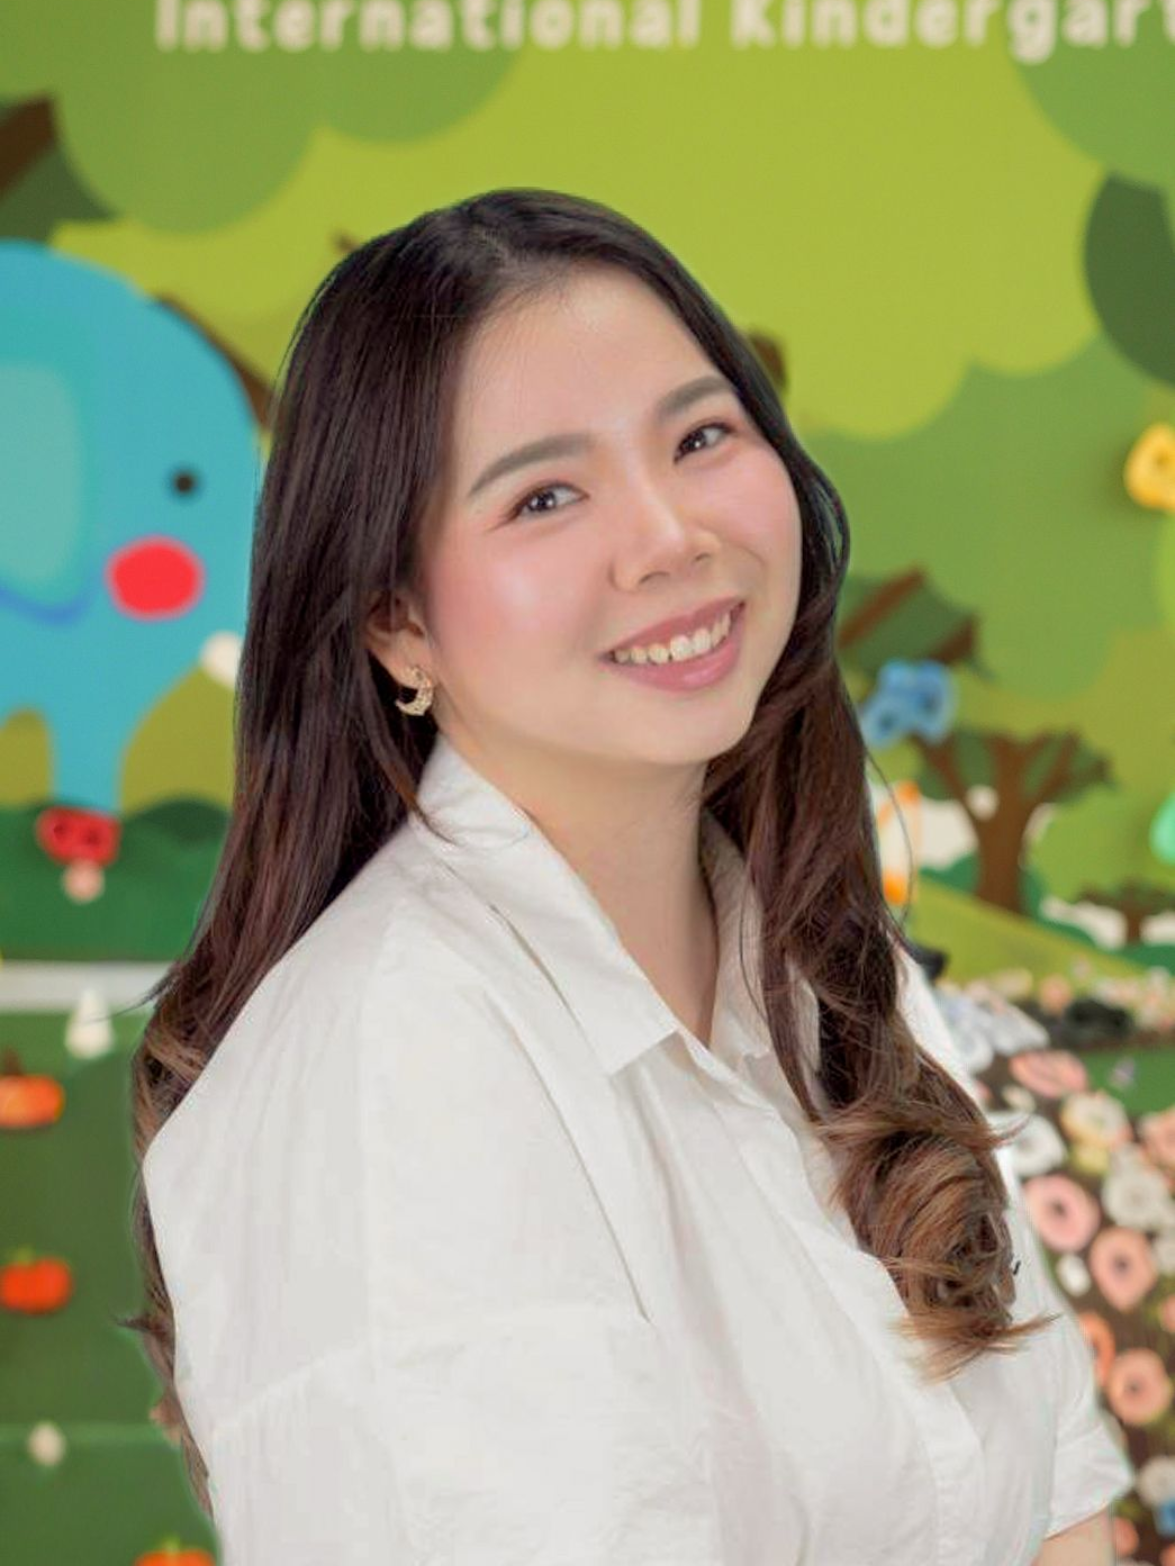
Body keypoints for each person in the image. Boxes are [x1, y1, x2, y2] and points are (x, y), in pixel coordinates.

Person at [122, 188, 1133, 1565]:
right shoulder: (395, 1058)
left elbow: (1063, 1506)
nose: (668, 535)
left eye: (701, 435)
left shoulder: (831, 969)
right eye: (544, 493)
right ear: (395, 620)